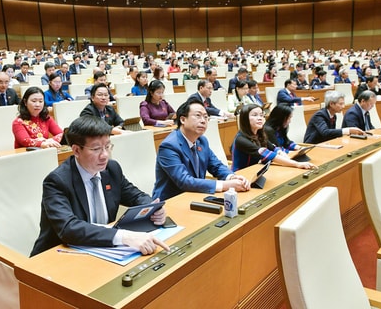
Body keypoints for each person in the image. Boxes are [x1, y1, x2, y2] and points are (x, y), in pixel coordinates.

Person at [30, 115, 169, 256]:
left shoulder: (111, 169)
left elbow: (135, 195)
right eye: (96, 149)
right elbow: (69, 228)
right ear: (76, 150)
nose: (105, 155)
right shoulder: (57, 181)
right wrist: (125, 237)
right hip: (59, 255)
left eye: (107, 147)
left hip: (102, 250)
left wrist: (153, 208)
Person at [152, 98, 250, 201]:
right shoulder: (169, 146)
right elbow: (184, 181)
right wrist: (226, 185)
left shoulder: (202, 141)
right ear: (183, 120)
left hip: (196, 196)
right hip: (171, 202)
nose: (203, 121)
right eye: (198, 116)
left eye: (206, 117)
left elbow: (216, 166)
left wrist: (232, 177)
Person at [231, 104, 316, 171]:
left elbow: (273, 148)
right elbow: (268, 154)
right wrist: (297, 164)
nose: (260, 118)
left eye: (261, 115)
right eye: (255, 115)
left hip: (257, 170)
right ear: (245, 119)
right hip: (241, 174)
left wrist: (281, 153)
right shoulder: (241, 139)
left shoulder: (259, 134)